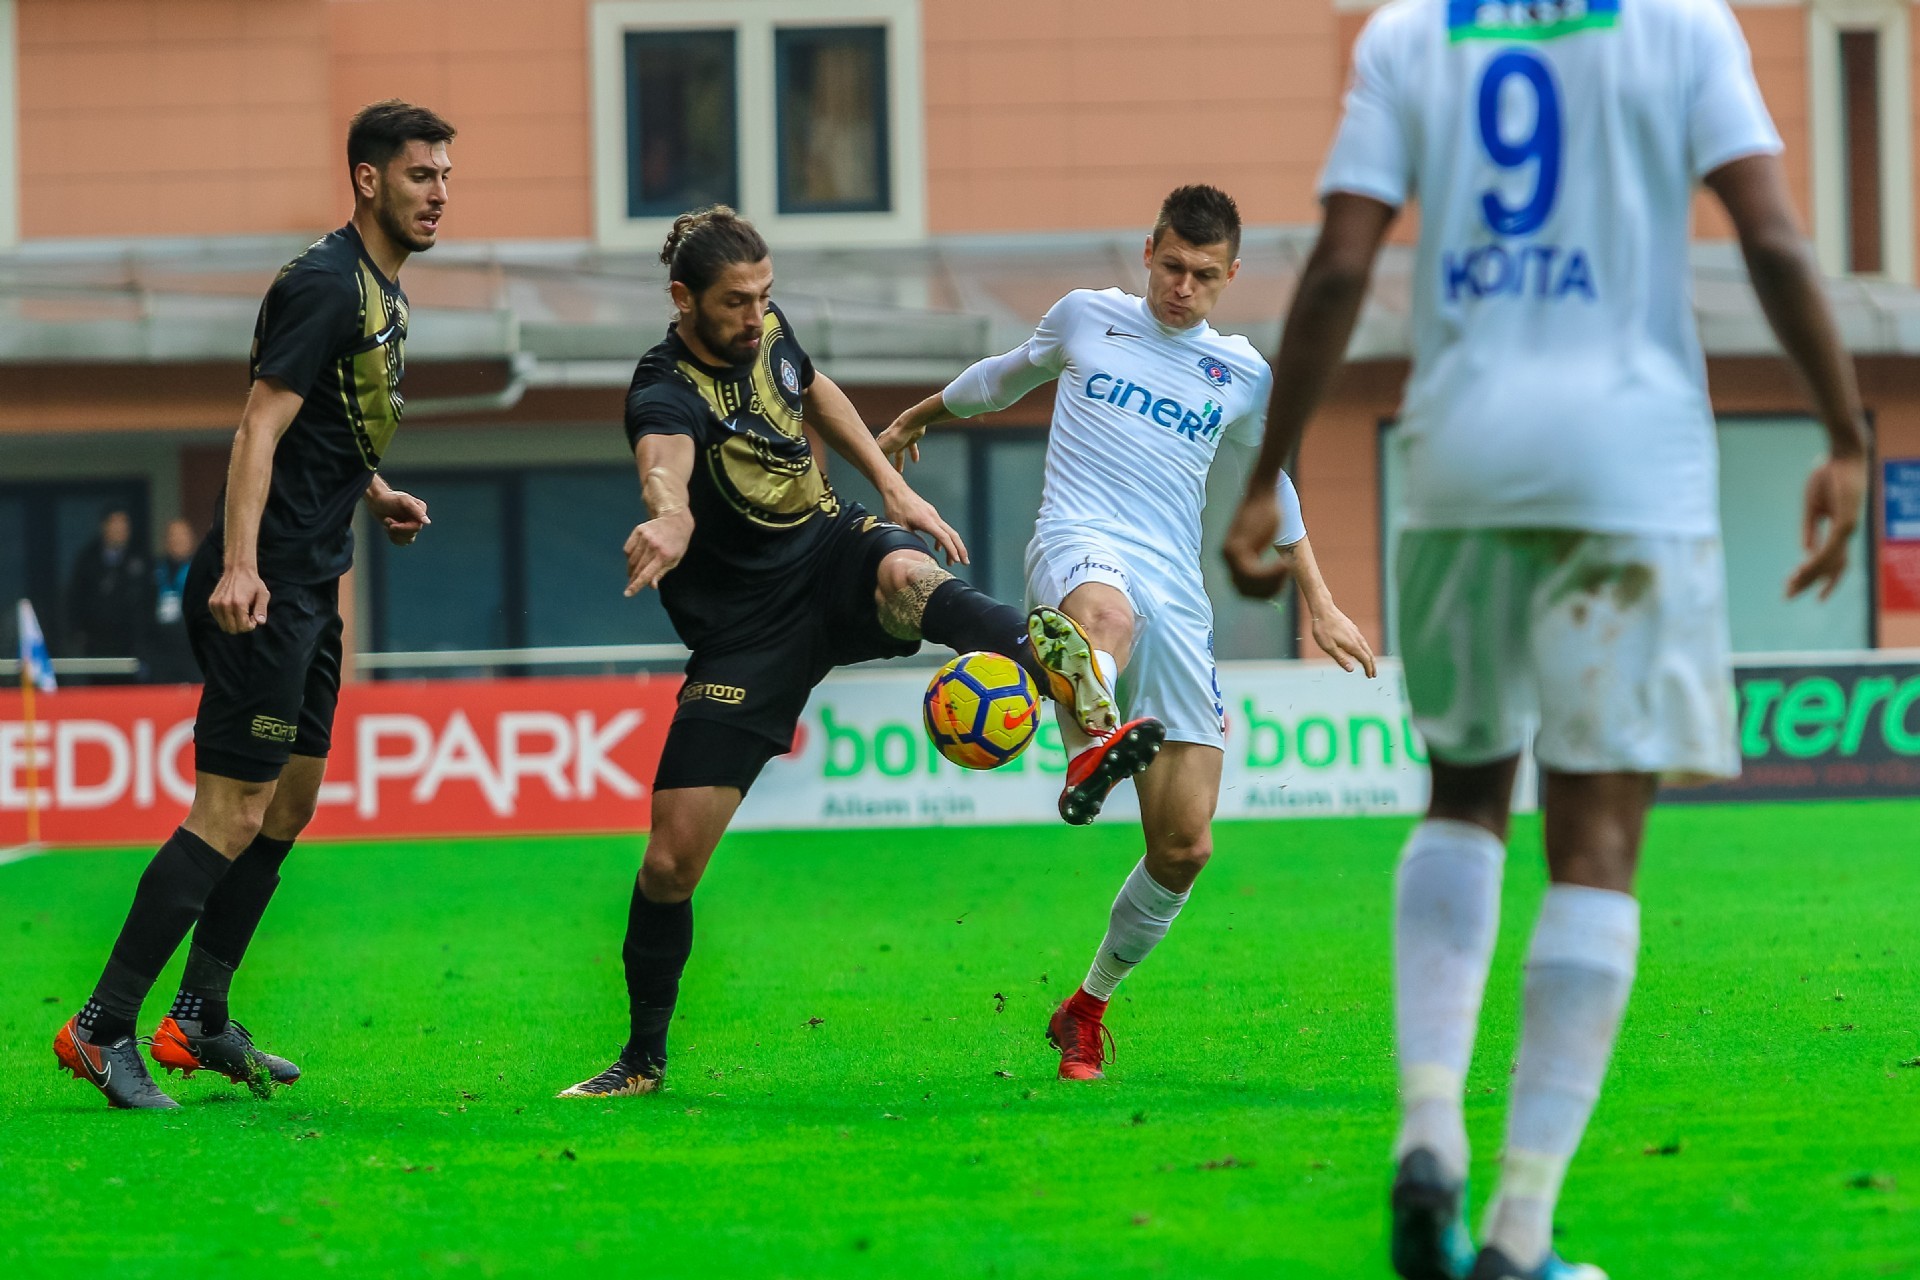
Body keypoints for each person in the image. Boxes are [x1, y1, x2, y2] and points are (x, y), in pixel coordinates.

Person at [1221, 3, 1866, 1276]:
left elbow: (1340, 268)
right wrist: (1845, 432)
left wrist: (1268, 472)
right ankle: (1520, 1228)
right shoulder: (1684, 25)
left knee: (1463, 796)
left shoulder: (1409, 33)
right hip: (1631, 468)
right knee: (1597, 845)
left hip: (1460, 460)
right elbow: (1774, 238)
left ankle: (1427, 1129)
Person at [557, 207, 1114, 1100]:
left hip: (829, 550)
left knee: (907, 572)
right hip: (745, 633)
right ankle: (642, 1062)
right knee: (668, 864)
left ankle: (1066, 675)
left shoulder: (767, 331)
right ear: (683, 299)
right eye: (735, 302)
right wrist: (670, 515)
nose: (755, 316)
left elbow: (814, 389)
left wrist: (892, 485)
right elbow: (663, 463)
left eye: (764, 296)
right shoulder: (662, 390)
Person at [879, 185, 1375, 1082]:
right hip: (1079, 543)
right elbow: (1002, 377)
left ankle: (1086, 1007)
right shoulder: (1086, 317)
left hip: (1177, 591)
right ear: (1148, 251)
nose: (1183, 287)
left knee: (1184, 847)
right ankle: (1090, 747)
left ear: (1231, 275)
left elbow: (1273, 490)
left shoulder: (1242, 375)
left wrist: (1323, 602)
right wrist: (920, 416)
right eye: (1172, 266)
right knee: (1109, 617)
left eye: (1204, 276)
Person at [53, 100, 456, 1109]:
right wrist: (240, 567)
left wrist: (372, 490)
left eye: (446, 175)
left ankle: (198, 1016)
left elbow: (325, 423)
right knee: (230, 809)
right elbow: (256, 429)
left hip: (311, 581)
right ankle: (101, 1026)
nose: (439, 193)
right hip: (264, 587)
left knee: (290, 800)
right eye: (420, 175)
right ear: (368, 179)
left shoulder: (380, 291)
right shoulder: (326, 283)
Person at [64, 507, 149, 683]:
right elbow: (75, 598)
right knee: (100, 690)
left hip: (132, 645)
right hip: (97, 644)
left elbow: (149, 599)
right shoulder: (88, 558)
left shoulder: (140, 557)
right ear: (104, 527)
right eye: (115, 524)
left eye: (124, 525)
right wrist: (78, 632)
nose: (120, 529)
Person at [142, 518, 201, 684]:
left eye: (182, 536)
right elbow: (143, 614)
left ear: (191, 540)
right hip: (161, 654)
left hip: (193, 654)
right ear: (165, 541)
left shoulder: (203, 571)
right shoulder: (153, 572)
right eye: (173, 536)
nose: (177, 541)